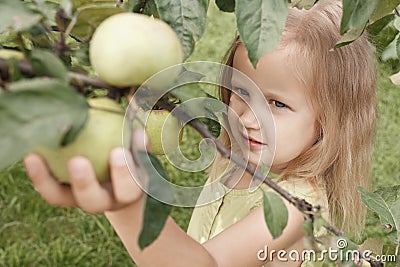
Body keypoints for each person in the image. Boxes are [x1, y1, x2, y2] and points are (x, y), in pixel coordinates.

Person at [23, 0, 376, 266]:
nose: (249, 116)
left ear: (328, 124)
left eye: (277, 104)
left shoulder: (300, 206)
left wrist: (128, 207)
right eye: (241, 91)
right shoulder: (234, 158)